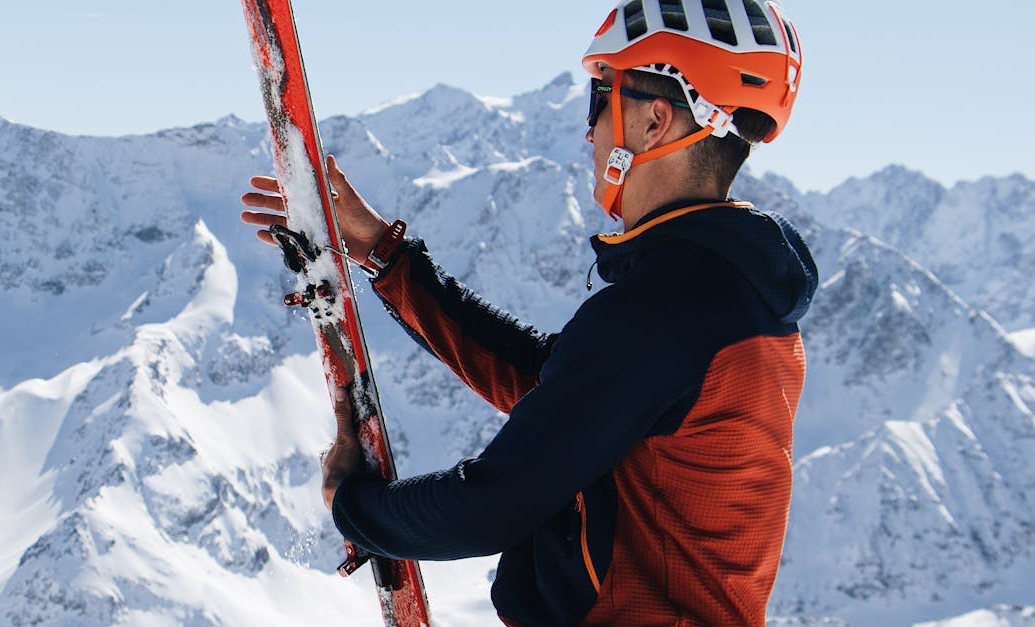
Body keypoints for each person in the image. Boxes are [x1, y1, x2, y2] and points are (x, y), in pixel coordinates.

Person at [241, 1, 817, 624]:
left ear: (655, 121)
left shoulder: (668, 311)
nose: (590, 130)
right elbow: (556, 384)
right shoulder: (728, 298)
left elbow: (492, 505)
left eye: (600, 99)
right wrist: (383, 252)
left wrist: (354, 508)